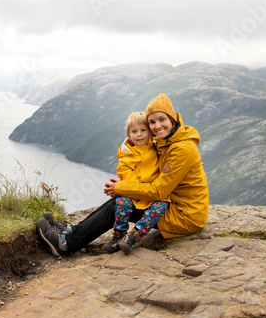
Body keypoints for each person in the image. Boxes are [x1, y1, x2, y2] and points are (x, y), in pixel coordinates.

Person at [37, 93, 209, 257]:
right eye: (152, 122)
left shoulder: (181, 148)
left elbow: (158, 192)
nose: (157, 126)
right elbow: (151, 169)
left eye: (162, 119)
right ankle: (72, 231)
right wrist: (125, 184)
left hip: (183, 215)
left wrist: (120, 187)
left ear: (172, 118)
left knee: (117, 204)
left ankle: (66, 243)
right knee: (120, 199)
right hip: (174, 204)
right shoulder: (168, 140)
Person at [102, 112, 169, 254]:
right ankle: (118, 235)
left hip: (152, 194)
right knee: (121, 202)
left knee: (161, 205)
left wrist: (191, 164)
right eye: (134, 131)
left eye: (143, 130)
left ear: (150, 132)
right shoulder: (126, 154)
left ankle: (134, 236)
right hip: (136, 193)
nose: (139, 134)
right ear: (129, 135)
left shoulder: (158, 148)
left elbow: (172, 161)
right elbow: (126, 176)